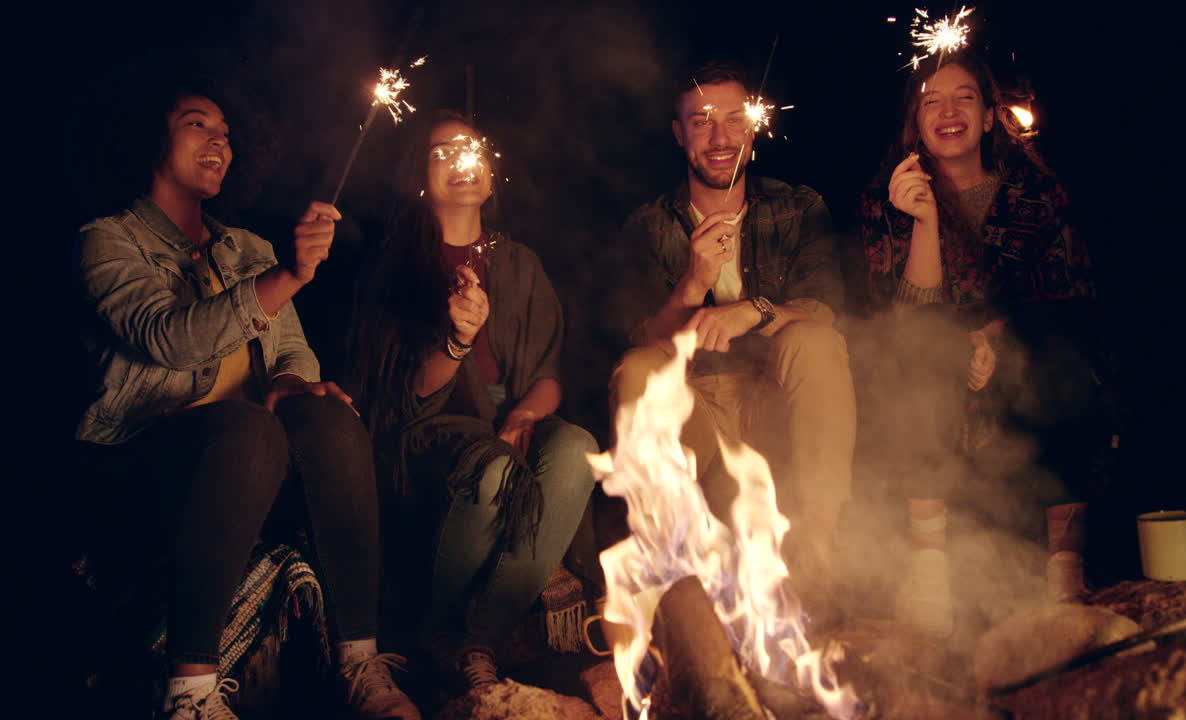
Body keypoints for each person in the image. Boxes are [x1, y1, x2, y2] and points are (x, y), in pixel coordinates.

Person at [73, 82, 421, 719]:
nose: (218, 142)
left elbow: (293, 355)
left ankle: (359, 660)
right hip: (144, 462)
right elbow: (168, 338)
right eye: (196, 124)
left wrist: (292, 384)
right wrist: (286, 276)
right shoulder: (107, 241)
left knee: (328, 414)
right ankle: (191, 695)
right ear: (153, 135)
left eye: (228, 134)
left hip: (249, 463)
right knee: (245, 430)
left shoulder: (248, 249)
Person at [346, 111, 598, 692]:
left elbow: (549, 373)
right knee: (493, 467)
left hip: (510, 411)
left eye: (471, 149)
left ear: (490, 175)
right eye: (441, 152)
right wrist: (456, 340)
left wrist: (524, 415)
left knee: (577, 449)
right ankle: (438, 629)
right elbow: (404, 398)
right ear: (419, 176)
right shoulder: (396, 267)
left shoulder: (519, 263)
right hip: (429, 428)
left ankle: (479, 638)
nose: (460, 160)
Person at [856, 49, 1103, 637]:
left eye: (963, 98)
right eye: (930, 101)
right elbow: (906, 314)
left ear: (990, 116)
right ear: (915, 122)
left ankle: (1065, 572)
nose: (947, 112)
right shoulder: (884, 199)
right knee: (918, 343)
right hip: (942, 360)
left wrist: (999, 336)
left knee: (1059, 347)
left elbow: (1070, 295)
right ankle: (928, 569)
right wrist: (924, 221)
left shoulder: (1038, 193)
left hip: (1028, 360)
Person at [607, 60, 856, 620]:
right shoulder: (648, 227)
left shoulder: (797, 208)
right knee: (638, 368)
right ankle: (680, 576)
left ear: (754, 126)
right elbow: (642, 338)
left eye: (734, 120)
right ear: (679, 135)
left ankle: (818, 554)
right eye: (701, 122)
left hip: (773, 401)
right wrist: (693, 282)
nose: (720, 138)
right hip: (695, 416)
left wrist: (755, 310)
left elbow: (825, 308)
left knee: (816, 342)